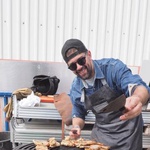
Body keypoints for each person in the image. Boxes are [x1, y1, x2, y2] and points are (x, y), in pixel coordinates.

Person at [61, 38, 150, 150]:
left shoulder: (113, 68)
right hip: (100, 142)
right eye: (73, 66)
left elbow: (138, 86)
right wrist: (76, 126)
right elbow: (78, 112)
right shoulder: (76, 87)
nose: (79, 67)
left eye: (81, 60)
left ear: (89, 54)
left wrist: (137, 97)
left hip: (128, 139)